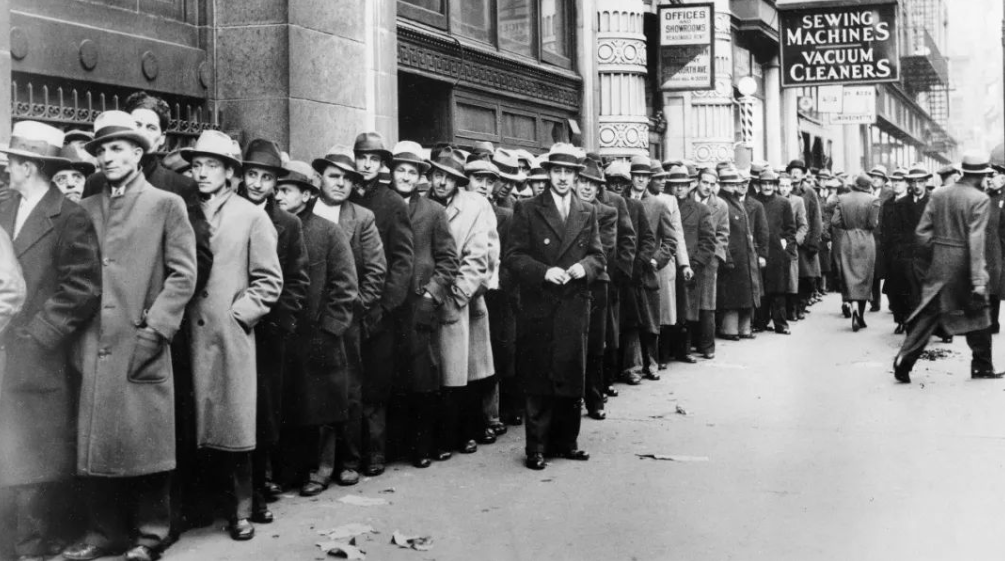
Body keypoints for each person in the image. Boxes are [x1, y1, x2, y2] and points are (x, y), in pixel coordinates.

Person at [60, 111, 196, 561]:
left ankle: (151, 535)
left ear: (139, 153)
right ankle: (104, 533)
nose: (108, 157)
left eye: (117, 148)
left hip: (142, 340)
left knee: (146, 441)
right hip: (93, 342)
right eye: (101, 150)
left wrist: (156, 330)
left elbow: (183, 275)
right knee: (98, 441)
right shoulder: (86, 208)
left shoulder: (166, 204)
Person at [0, 121, 101, 561]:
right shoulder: (5, 207)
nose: (7, 169)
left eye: (11, 162)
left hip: (41, 355)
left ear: (28, 166)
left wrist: (40, 334)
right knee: (10, 453)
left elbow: (82, 287)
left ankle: (34, 548)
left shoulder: (70, 216)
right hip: (6, 352)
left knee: (36, 459)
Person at [183, 130, 283, 541]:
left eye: (212, 165)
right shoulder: (181, 208)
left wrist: (238, 316)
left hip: (228, 337)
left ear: (229, 172)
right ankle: (201, 506)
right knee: (194, 424)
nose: (202, 172)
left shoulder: (250, 216)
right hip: (187, 332)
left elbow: (269, 281)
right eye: (197, 165)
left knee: (235, 427)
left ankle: (241, 510)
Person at [505, 143, 605, 470]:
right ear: (548, 174)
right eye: (557, 171)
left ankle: (567, 443)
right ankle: (536, 447)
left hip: (574, 305)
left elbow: (598, 256)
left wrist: (585, 268)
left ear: (577, 176)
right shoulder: (528, 208)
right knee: (539, 376)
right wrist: (544, 272)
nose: (563, 178)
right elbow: (514, 257)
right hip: (540, 305)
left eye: (569, 172)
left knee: (571, 375)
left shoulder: (587, 211)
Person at [271, 160, 358, 498]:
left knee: (322, 407)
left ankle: (321, 470)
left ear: (306, 195)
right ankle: (290, 471)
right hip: (285, 331)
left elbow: (345, 285)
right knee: (289, 404)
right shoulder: (272, 226)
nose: (278, 196)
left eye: (286, 190)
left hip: (319, 334)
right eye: (277, 190)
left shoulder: (327, 231)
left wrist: (330, 329)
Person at [237, 139, 310, 520]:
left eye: (266, 178)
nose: (257, 183)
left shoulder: (289, 224)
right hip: (229, 327)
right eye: (252, 174)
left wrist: (280, 321)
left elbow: (297, 279)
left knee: (264, 412)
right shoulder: (225, 211)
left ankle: (258, 488)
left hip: (267, 333)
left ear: (275, 183)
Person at [305, 146, 385, 489]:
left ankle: (349, 461)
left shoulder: (362, 218)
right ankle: (318, 467)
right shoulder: (305, 213)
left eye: (347, 179)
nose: (340, 184)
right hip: (311, 320)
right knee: (316, 391)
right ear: (319, 178)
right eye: (334, 176)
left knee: (350, 389)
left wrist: (355, 308)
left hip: (348, 320)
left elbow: (376, 271)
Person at [894, 152, 1002, 383]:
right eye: (985, 175)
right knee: (980, 313)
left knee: (930, 314)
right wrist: (978, 279)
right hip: (965, 265)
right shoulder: (979, 199)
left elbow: (922, 233)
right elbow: (975, 240)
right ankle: (982, 366)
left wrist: (938, 253)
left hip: (940, 263)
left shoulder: (939, 194)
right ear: (979, 176)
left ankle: (904, 359)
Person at [384, 141, 458, 467]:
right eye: (400, 170)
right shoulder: (381, 204)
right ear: (391, 172)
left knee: (422, 376)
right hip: (387, 304)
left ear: (420, 176)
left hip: (419, 304)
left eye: (411, 171)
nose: (405, 176)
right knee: (390, 374)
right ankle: (393, 447)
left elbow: (449, 260)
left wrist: (432, 294)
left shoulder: (433, 211)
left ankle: (422, 446)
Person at [349, 132, 415, 478]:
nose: (366, 165)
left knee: (376, 382)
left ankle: (375, 452)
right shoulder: (344, 195)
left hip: (381, 310)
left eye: (373, 159)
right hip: (348, 303)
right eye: (362, 158)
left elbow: (403, 260)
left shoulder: (392, 202)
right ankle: (349, 454)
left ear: (382, 164)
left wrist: (386, 304)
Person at [427, 148, 496, 457]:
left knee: (462, 371)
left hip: (461, 298)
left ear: (458, 181)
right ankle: (439, 435)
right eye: (437, 175)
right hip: (427, 297)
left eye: (449, 177)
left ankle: (464, 433)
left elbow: (480, 256)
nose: (442, 182)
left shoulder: (474, 206)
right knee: (434, 372)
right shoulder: (422, 202)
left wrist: (457, 296)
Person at [467, 156, 514, 439]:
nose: (484, 186)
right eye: (478, 180)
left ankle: (491, 415)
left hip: (494, 295)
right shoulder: (452, 210)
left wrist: (492, 283)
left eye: (489, 181)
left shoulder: (504, 216)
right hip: (462, 292)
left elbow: (510, 257)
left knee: (490, 356)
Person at [623, 155, 675, 381]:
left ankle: (651, 364)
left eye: (645, 176)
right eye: (637, 176)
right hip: (627, 271)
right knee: (631, 321)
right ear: (631, 177)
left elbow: (670, 241)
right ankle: (633, 368)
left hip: (647, 272)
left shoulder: (658, 204)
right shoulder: (621, 201)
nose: (641, 180)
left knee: (651, 321)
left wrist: (656, 260)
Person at [591, 155, 636, 399]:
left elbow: (628, 239)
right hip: (588, 276)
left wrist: (620, 271)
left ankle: (607, 380)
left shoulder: (616, 202)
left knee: (609, 330)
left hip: (611, 276)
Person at [576, 157, 618, 420]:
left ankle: (594, 399)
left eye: (592, 183)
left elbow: (605, 248)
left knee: (594, 343)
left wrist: (579, 265)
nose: (586, 187)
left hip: (595, 283)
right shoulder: (565, 209)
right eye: (583, 181)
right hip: (564, 283)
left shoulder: (607, 213)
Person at [668, 165, 714, 362]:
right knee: (669, 309)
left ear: (689, 186)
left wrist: (694, 264)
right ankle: (667, 352)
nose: (679, 189)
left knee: (687, 311)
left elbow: (708, 242)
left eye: (683, 185)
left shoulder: (700, 210)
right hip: (668, 264)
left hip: (690, 268)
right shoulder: (665, 205)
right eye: (675, 185)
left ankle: (684, 350)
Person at [650, 160, 689, 369]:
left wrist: (684, 264)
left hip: (665, 261)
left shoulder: (670, 200)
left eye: (664, 178)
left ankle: (662, 356)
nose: (662, 182)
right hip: (645, 260)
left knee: (665, 311)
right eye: (658, 178)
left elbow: (677, 234)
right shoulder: (637, 198)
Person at [832, 173, 881, 332]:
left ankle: (853, 307)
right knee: (865, 277)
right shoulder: (873, 200)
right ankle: (860, 314)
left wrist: (848, 226)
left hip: (847, 239)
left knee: (849, 275)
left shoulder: (842, 199)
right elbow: (872, 223)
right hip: (866, 240)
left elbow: (835, 221)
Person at [716, 168, 761, 340]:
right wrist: (726, 255)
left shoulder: (734, 201)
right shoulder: (722, 201)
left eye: (735, 184)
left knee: (744, 294)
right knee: (732, 296)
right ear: (723, 184)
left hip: (743, 255)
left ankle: (744, 328)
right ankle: (730, 329)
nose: (734, 187)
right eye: (730, 184)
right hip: (731, 256)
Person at [753, 169, 796, 334]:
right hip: (759, 251)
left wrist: (787, 248)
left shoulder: (783, 203)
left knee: (779, 290)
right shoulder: (753, 202)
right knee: (761, 288)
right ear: (759, 185)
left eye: (770, 183)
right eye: (764, 183)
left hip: (778, 252)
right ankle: (760, 322)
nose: (767, 187)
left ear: (775, 185)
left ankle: (781, 323)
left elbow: (790, 228)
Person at [692, 168, 729, 358]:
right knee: (688, 300)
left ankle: (707, 346)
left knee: (707, 303)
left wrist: (714, 256)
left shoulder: (720, 205)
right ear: (697, 182)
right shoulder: (687, 199)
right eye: (705, 182)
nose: (708, 187)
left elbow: (723, 234)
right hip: (689, 257)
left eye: (712, 184)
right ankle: (687, 345)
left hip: (709, 260)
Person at [885, 167, 924, 333]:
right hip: (904, 254)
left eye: (920, 181)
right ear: (909, 184)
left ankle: (937, 328)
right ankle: (904, 321)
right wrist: (897, 251)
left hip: (925, 254)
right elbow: (893, 231)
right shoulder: (900, 204)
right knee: (904, 290)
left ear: (926, 182)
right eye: (913, 182)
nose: (917, 185)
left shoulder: (932, 202)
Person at [780, 173, 808, 321]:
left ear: (791, 187)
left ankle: (792, 310)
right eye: (781, 185)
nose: (784, 188)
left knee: (792, 278)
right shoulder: (773, 200)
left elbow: (803, 225)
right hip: (776, 243)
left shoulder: (798, 201)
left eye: (787, 185)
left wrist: (795, 240)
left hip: (790, 244)